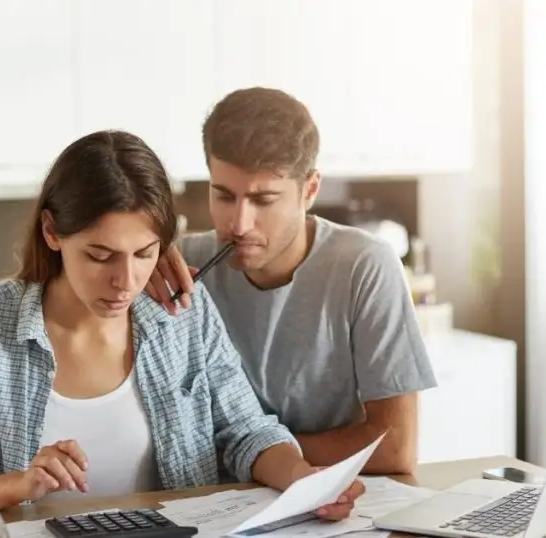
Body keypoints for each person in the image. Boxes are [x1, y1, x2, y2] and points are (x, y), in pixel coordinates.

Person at [0, 129, 365, 518]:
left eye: (145, 254)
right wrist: (19, 484)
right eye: (100, 255)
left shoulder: (182, 314)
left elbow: (248, 431)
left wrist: (303, 479)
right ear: (53, 233)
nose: (125, 282)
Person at [145, 88, 438, 475]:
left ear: (310, 190)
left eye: (264, 200)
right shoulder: (182, 266)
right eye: (224, 195)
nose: (238, 224)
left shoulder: (364, 266)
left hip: (322, 500)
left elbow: (395, 448)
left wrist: (250, 454)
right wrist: (138, 264)